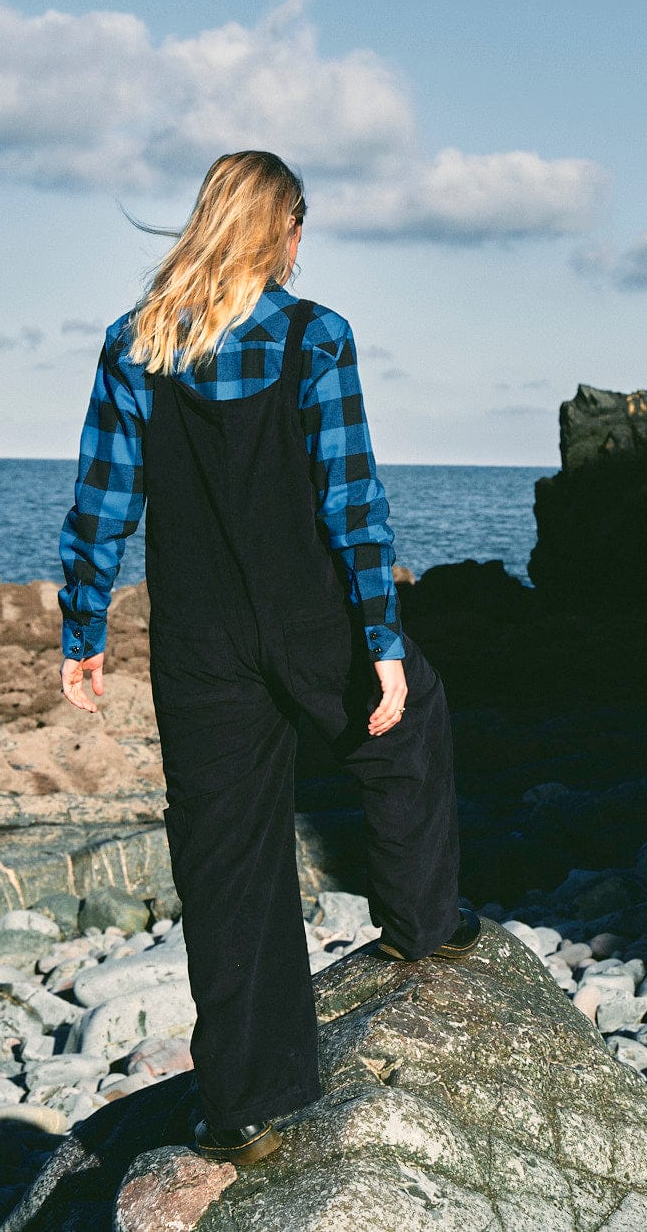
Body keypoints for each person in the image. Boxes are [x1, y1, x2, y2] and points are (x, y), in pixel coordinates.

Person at [57, 150, 479, 1166]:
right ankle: (423, 925)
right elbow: (350, 499)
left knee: (225, 852)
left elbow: (101, 504)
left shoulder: (137, 345)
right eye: (299, 224)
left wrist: (84, 630)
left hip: (197, 640)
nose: (302, 243)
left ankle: (249, 1102)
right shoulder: (315, 337)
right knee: (407, 721)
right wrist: (378, 640)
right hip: (307, 617)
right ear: (274, 228)